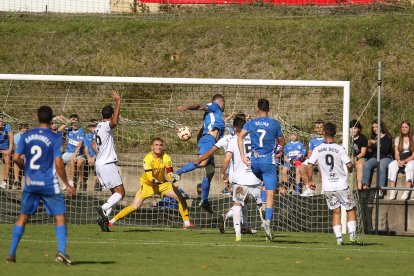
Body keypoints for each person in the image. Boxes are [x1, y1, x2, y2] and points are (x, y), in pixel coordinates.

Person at [6, 106, 76, 264]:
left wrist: (26, 169)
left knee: (23, 217)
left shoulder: (27, 135)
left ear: (37, 116)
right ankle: (61, 252)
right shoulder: (55, 137)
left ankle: (11, 254)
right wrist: (67, 183)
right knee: (60, 218)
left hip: (31, 183)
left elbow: (16, 157)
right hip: (49, 184)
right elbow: (58, 162)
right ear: (51, 119)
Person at [108, 137, 194, 229]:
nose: (159, 147)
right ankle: (111, 221)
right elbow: (150, 178)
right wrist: (156, 181)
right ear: (151, 147)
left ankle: (187, 223)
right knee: (135, 206)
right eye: (156, 145)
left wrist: (172, 176)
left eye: (160, 145)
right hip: (147, 185)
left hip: (162, 184)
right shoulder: (147, 159)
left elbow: (169, 173)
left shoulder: (166, 158)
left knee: (181, 198)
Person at [307, 122, 363, 245]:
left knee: (335, 211)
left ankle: (339, 239)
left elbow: (309, 166)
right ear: (334, 133)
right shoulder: (339, 148)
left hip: (328, 187)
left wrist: (310, 181)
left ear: (324, 133)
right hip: (341, 185)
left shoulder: (317, 149)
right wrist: (350, 168)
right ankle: (352, 236)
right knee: (350, 209)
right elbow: (349, 165)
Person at [238, 98, 285, 241]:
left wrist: (242, 157)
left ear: (257, 108)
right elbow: (283, 142)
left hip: (254, 163)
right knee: (271, 192)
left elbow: (240, 137)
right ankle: (267, 221)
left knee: (264, 183)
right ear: (268, 109)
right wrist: (279, 149)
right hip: (268, 162)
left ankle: (263, 205)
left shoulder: (250, 123)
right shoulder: (274, 124)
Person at [172, 94, 226, 213]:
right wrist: (188, 107)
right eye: (224, 103)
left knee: (210, 172)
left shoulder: (214, 117)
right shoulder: (215, 106)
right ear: (220, 102)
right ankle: (177, 173)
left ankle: (204, 200)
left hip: (211, 143)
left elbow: (201, 131)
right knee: (202, 162)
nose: (224, 106)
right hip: (208, 140)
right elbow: (200, 106)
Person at [221, 117, 264, 241]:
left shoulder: (234, 140)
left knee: (238, 204)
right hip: (255, 178)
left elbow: (227, 159)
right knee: (260, 204)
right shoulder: (255, 138)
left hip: (241, 179)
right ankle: (267, 229)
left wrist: (223, 172)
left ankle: (238, 235)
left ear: (234, 128)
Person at [93, 90, 125, 232]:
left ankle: (104, 220)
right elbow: (115, 122)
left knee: (114, 193)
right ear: (111, 115)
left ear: (101, 115)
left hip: (100, 164)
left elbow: (94, 145)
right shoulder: (106, 126)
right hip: (107, 164)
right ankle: (103, 208)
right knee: (121, 193)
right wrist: (118, 102)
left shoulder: (97, 127)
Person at [362, 120, 393, 198]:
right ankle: (365, 187)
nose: (375, 129)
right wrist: (369, 147)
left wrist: (376, 143)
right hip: (376, 157)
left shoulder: (387, 137)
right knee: (367, 164)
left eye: (376, 126)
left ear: (381, 126)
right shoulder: (373, 137)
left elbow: (385, 151)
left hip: (386, 158)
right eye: (373, 127)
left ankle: (380, 190)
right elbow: (370, 153)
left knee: (381, 165)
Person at [387, 120, 414, 200]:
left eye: (406, 127)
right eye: (402, 127)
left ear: (409, 128)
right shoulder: (398, 139)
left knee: (410, 167)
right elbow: (396, 153)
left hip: (410, 159)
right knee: (391, 165)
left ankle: (407, 191)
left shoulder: (413, 138)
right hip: (400, 158)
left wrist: (405, 161)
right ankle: (392, 190)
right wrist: (398, 161)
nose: (404, 129)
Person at [300, 120, 325, 196]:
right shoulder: (312, 140)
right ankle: (310, 188)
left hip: (323, 159)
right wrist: (313, 160)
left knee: (322, 168)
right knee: (301, 168)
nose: (319, 129)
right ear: (315, 129)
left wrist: (319, 161)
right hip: (313, 159)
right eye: (317, 127)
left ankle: (324, 189)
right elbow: (310, 152)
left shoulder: (326, 139)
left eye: (321, 127)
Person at [61, 121, 85, 190]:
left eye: (76, 123)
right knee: (60, 161)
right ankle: (64, 182)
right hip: (68, 152)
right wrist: (68, 121)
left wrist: (74, 155)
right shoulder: (68, 130)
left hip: (77, 153)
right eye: (73, 124)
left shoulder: (81, 131)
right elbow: (60, 129)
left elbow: (80, 144)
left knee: (72, 160)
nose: (75, 125)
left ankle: (71, 182)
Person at [281, 128, 306, 195]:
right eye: (291, 135)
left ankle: (297, 190)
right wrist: (289, 161)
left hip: (298, 161)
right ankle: (286, 189)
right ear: (289, 136)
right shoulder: (287, 145)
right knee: (283, 171)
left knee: (298, 170)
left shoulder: (301, 144)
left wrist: (296, 160)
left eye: (294, 135)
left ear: (297, 136)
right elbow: (285, 157)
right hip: (289, 162)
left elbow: (303, 155)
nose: (293, 136)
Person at [350, 119, 368, 190]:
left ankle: (359, 187)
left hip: (360, 158)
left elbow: (363, 153)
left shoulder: (363, 138)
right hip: (349, 157)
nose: (353, 130)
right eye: (351, 128)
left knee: (359, 165)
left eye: (355, 128)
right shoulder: (346, 137)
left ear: (359, 129)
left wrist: (355, 158)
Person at [12, 123, 29, 190]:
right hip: (20, 154)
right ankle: (16, 181)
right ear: (19, 131)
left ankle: (28, 183)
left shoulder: (30, 136)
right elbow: (17, 148)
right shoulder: (16, 136)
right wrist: (21, 155)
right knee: (16, 160)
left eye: (26, 131)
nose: (24, 133)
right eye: (23, 131)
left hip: (28, 154)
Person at [0, 114, 13, 189]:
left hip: (5, 148)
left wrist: (9, 150)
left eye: (2, 121)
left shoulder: (7, 126)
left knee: (7, 160)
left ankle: (4, 182)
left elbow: (11, 138)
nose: (1, 122)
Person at [83, 122, 97, 191]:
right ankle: (83, 184)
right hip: (88, 157)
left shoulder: (99, 135)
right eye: (91, 126)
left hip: (97, 156)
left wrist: (94, 158)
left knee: (97, 168)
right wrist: (88, 157)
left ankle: (97, 185)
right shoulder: (87, 136)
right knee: (84, 164)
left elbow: (100, 149)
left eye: (94, 126)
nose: (93, 128)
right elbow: (85, 148)